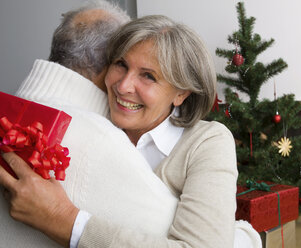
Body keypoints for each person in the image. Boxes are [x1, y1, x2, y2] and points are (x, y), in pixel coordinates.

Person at [1, 14, 262, 248]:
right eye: (121, 65)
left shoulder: (206, 143)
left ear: (181, 93)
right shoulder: (93, 127)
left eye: (148, 76)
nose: (123, 86)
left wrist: (66, 222)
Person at [0, 1, 178, 248]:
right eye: (123, 64)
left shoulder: (8, 114)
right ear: (111, 64)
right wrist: (247, 233)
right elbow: (188, 237)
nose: (127, 85)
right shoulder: (99, 141)